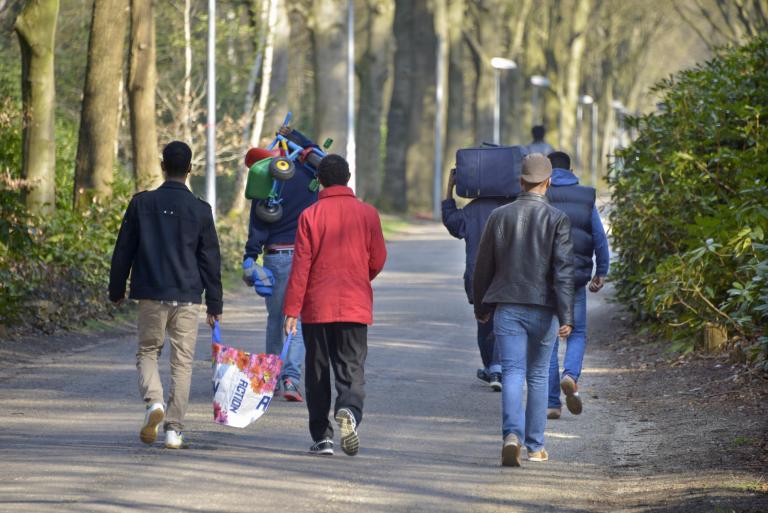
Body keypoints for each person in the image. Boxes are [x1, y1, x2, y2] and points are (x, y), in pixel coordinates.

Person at [109, 141, 222, 449]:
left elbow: (124, 250)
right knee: (182, 363)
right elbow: (210, 260)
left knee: (148, 352)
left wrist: (116, 289)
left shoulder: (141, 204)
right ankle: (174, 428)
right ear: (189, 169)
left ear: (162, 166)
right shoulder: (200, 209)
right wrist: (215, 303)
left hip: (151, 293)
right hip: (187, 296)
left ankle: (154, 402)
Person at [473, 153, 574, 467]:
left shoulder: (499, 216)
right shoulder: (557, 219)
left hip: (507, 308)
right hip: (544, 309)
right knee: (539, 375)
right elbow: (563, 272)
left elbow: (483, 267)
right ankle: (535, 446)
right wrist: (567, 315)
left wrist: (481, 305)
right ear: (548, 182)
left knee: (513, 372)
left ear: (521, 182)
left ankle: (511, 436)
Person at [283, 154, 387, 457]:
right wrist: (359, 276)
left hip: (317, 306)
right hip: (354, 303)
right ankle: (349, 411)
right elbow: (378, 258)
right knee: (351, 366)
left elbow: (301, 266)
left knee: (317, 369)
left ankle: (322, 437)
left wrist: (292, 310)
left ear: (320, 180)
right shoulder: (368, 214)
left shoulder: (310, 215)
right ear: (348, 177)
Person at [243, 126, 319, 402]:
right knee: (295, 319)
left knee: (276, 319)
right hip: (305, 257)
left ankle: (270, 378)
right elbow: (327, 160)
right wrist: (302, 136)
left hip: (276, 257)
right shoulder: (312, 176)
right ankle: (291, 379)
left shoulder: (268, 177)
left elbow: (259, 224)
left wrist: (250, 256)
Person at [545, 151, 609, 419]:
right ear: (570, 169)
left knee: (549, 339)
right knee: (577, 332)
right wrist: (601, 271)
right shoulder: (585, 196)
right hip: (576, 278)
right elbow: (599, 237)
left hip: (546, 279)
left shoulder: (542, 195)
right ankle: (570, 374)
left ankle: (552, 403)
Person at [442, 169, 512, 391]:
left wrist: (449, 188)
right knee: (504, 321)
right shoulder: (512, 208)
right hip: (508, 275)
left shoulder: (472, 211)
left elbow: (451, 221)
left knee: (484, 323)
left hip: (478, 276)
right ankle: (498, 367)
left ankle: (493, 367)